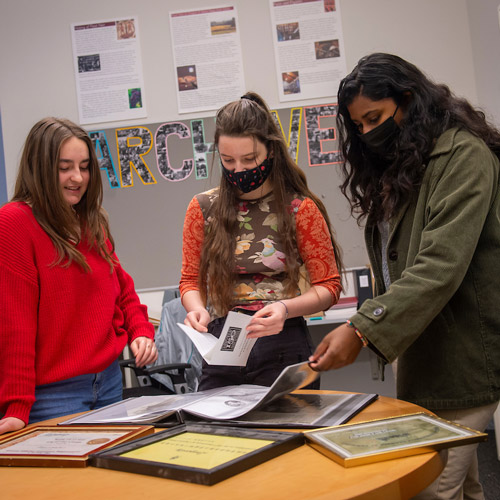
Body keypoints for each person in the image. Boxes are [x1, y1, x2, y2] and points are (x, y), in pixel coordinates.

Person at [309, 53, 500, 500]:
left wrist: (361, 329)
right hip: (428, 356)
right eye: (358, 126)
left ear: (409, 101)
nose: (368, 133)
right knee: (464, 485)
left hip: (466, 357)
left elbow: (438, 265)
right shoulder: (411, 164)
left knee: (428, 488)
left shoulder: (463, 156)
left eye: (375, 118)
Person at [0, 117, 158, 435]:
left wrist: (140, 330)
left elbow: (121, 287)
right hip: (53, 396)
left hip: (109, 383)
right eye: (65, 167)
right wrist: (16, 405)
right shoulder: (13, 222)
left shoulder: (91, 221)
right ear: (40, 168)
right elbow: (15, 323)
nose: (77, 177)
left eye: (84, 166)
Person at [180, 91, 343, 390]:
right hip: (222, 342)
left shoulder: (299, 209)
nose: (238, 169)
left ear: (271, 150)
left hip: (282, 341)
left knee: (289, 432)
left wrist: (284, 309)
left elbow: (329, 287)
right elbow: (190, 281)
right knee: (220, 434)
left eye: (249, 158)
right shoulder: (203, 208)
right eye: (228, 160)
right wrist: (196, 309)